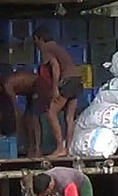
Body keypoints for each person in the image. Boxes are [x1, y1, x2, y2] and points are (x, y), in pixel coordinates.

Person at [32, 28, 83, 158]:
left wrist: (55, 88)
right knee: (69, 118)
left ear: (39, 39)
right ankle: (68, 149)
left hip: (67, 81)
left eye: (35, 40)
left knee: (51, 113)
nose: (35, 43)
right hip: (77, 80)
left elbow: (55, 67)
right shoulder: (57, 47)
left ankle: (60, 147)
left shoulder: (46, 48)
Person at [3, 70, 46, 158]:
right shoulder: (8, 84)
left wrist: (16, 132)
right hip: (30, 91)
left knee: (34, 118)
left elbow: (16, 110)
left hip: (38, 85)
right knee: (27, 119)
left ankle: (38, 149)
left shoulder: (7, 85)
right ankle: (31, 148)